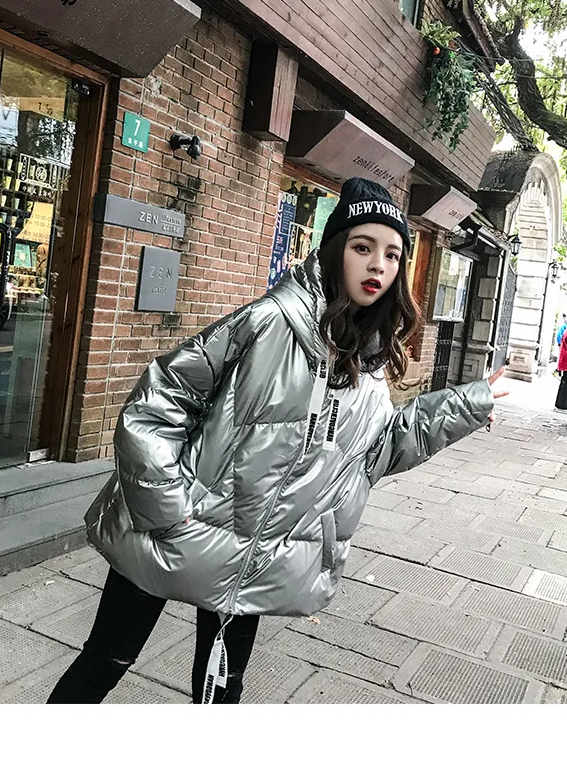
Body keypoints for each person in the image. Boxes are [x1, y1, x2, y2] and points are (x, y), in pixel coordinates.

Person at [46, 177, 508, 706]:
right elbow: (156, 405)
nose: (378, 266)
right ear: (335, 251)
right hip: (169, 532)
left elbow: (377, 452)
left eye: (392, 254)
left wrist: (467, 405)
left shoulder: (370, 365)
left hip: (256, 557)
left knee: (220, 695)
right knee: (103, 665)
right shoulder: (270, 323)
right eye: (363, 247)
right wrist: (167, 513)